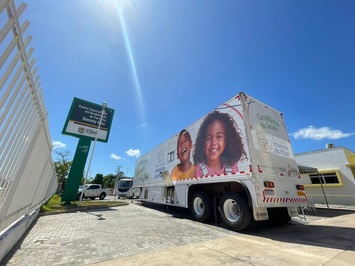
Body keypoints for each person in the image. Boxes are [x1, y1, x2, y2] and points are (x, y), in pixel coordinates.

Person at [193, 110, 245, 176]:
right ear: (203, 142)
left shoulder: (232, 166)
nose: (213, 143)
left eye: (219, 137)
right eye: (208, 138)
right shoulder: (200, 168)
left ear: (226, 141)